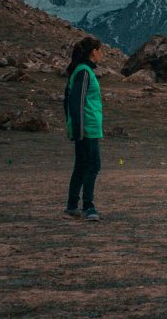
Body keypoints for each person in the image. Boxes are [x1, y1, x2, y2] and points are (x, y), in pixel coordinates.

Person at [63, 36, 104, 220]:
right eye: (100, 50)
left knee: (81, 165)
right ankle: (88, 206)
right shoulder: (84, 72)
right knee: (93, 165)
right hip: (87, 128)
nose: (102, 54)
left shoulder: (81, 71)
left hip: (85, 127)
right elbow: (75, 101)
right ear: (93, 52)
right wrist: (78, 128)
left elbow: (68, 100)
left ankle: (72, 205)